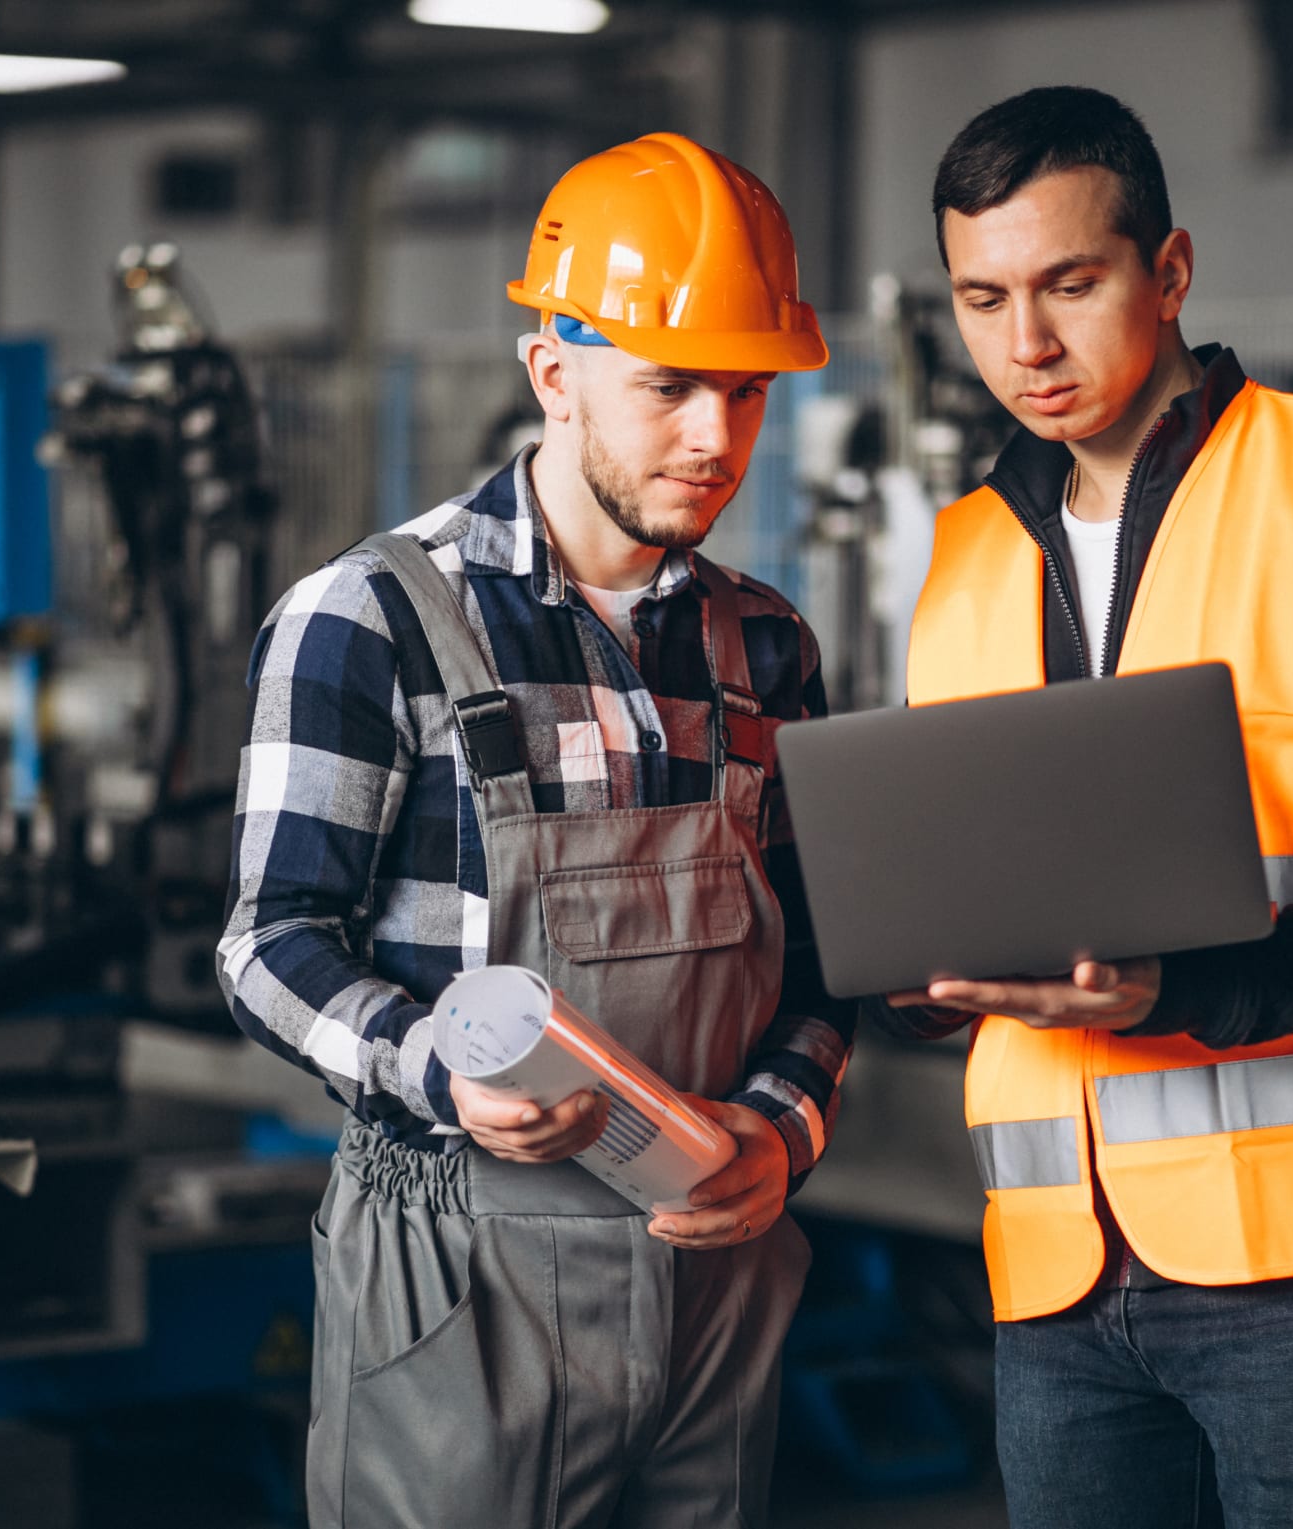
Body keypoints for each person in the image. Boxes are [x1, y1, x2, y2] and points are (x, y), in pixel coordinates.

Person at [889, 87, 1293, 1529]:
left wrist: (1176, 988)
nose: (1025, 345)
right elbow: (961, 872)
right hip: (1054, 1270)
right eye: (981, 299)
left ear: (1167, 272)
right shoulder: (967, 553)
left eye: (1070, 283)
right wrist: (911, 979)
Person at [217, 131, 852, 1528]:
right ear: (551, 374)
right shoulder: (373, 617)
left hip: (714, 1280)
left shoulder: (764, 645)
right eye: (670, 387)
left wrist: (777, 1131)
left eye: (746, 391)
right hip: (458, 1277)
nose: (715, 437)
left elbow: (818, 967)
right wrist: (430, 1061)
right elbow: (270, 946)